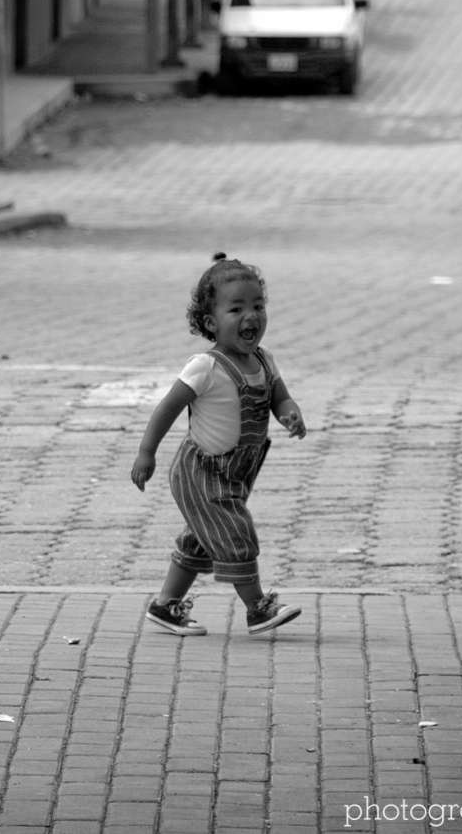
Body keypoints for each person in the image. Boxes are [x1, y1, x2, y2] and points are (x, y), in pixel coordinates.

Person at [129, 253, 308, 637]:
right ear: (211, 322)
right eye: (237, 308)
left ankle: (165, 606)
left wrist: (291, 414)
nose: (251, 316)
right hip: (201, 471)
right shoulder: (205, 366)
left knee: (202, 538)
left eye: (258, 306)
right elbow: (168, 408)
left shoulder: (265, 361)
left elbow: (280, 398)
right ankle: (257, 608)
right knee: (234, 530)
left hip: (236, 473)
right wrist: (147, 452)